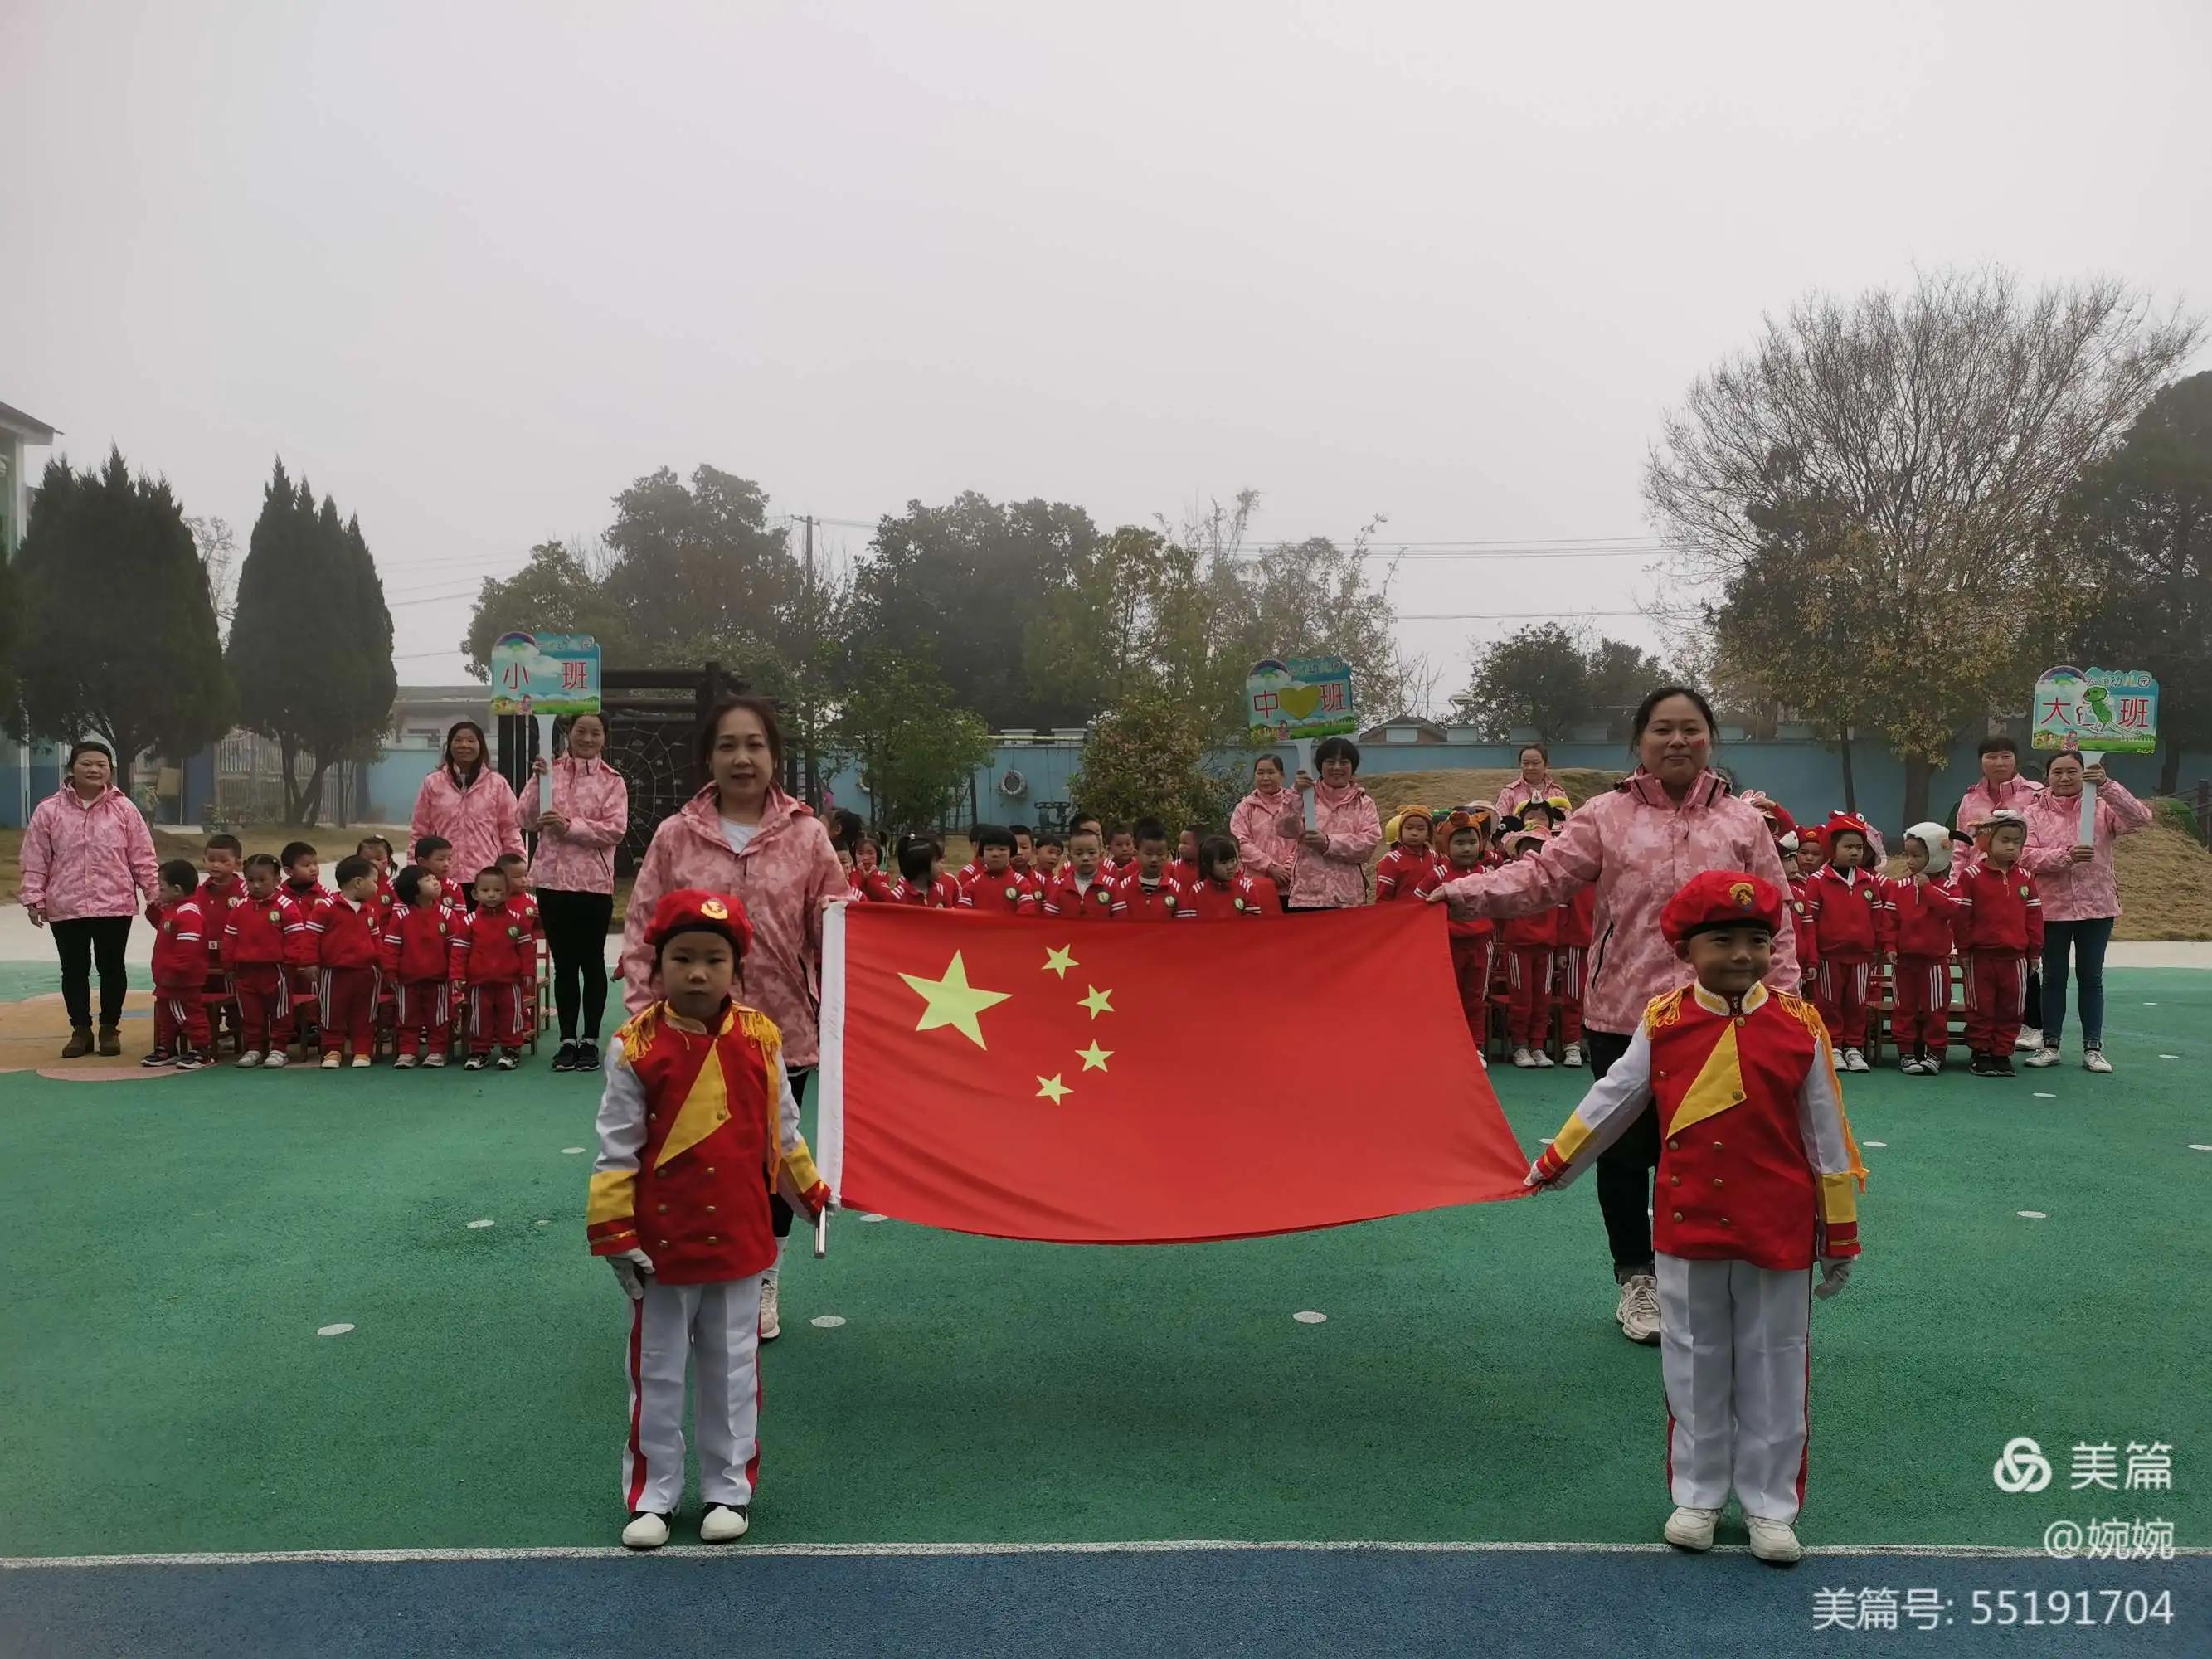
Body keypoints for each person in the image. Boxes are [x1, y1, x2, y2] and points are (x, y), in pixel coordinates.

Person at [1432, 686, 1799, 1346]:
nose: (1677, 741)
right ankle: (1638, 1279)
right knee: (1627, 1154)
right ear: (1640, 742)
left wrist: (1789, 1005)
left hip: (1726, 1018)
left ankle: (1709, 1277)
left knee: (1722, 1150)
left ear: (1710, 739)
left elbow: (1777, 917)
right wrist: (1460, 895)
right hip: (1625, 1016)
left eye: (1691, 729)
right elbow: (1541, 877)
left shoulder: (1743, 824)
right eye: (1663, 730)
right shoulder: (1604, 815)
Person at [1523, 870, 1861, 1566]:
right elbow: (1614, 1097)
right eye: (1722, 941)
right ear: (1686, 948)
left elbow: (1827, 1131)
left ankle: (1770, 1505)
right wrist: (1553, 1165)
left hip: (1778, 1225)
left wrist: (1839, 1233)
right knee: (1693, 1361)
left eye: (1756, 941)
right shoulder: (1663, 1019)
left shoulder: (1800, 1024)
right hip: (1688, 1219)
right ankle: (1698, 1494)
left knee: (1776, 1363)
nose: (1741, 955)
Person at [588, 888, 830, 1551]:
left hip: (743, 1239)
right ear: (657, 965)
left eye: (714, 960)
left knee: (732, 1369)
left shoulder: (762, 1037)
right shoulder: (634, 1047)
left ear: (736, 969)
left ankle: (729, 1489)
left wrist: (810, 1192)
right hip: (662, 1244)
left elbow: (783, 1133)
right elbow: (616, 1147)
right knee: (657, 1372)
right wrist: (615, 1234)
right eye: (683, 958)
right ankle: (652, 1496)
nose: (698, 973)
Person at [619, 693, 846, 1343]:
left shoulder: (807, 836)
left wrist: (855, 1004)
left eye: (754, 745)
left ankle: (761, 1278)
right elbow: (640, 931)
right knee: (690, 1156)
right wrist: (641, 1021)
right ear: (708, 757)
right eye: (727, 745)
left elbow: (836, 929)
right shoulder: (674, 836)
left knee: (768, 1159)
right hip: (683, 1033)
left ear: (775, 756)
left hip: (781, 1033)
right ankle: (689, 1273)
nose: (742, 758)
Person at [19, 740, 159, 1058]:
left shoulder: (124, 809)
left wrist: (154, 893)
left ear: (110, 770)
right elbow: (35, 858)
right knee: (74, 969)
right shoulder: (49, 810)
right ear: (72, 769)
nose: (95, 770)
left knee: (112, 968)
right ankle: (80, 1030)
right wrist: (34, 898)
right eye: (87, 764)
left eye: (101, 765)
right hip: (66, 905)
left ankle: (110, 1028)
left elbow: (142, 855)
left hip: (114, 904)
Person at [2019, 752, 2151, 1073]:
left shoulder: (2102, 808)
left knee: (2091, 978)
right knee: (2053, 978)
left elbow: (2140, 819)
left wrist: (2107, 786)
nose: (2064, 778)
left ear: (2085, 772)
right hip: (2051, 909)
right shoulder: (2032, 813)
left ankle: (2093, 1047)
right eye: (2057, 772)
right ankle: (2050, 1045)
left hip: (2097, 907)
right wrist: (2065, 856)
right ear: (2047, 775)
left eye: (2072, 772)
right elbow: (2025, 855)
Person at [523, 712, 631, 1073]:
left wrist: (570, 827)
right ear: (568, 733)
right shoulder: (548, 771)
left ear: (604, 738)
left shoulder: (612, 781)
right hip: (552, 882)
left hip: (593, 884)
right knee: (565, 965)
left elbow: (615, 829)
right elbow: (524, 819)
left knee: (591, 963)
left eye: (595, 733)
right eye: (580, 731)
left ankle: (591, 1040)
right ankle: (568, 1040)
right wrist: (538, 782)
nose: (587, 738)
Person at [1953, 735, 2047, 1052]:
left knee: (2020, 956)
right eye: (1991, 757)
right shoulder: (1970, 800)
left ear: (2015, 759)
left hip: (2018, 884)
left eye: (2005, 756)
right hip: (1977, 886)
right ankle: (1982, 1035)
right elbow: (1961, 847)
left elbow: (2037, 841)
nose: (1999, 763)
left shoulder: (2035, 795)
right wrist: (1955, 883)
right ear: (1981, 762)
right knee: (1983, 955)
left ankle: (2032, 1024)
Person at [1953, 810, 2043, 1077]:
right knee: (1981, 1005)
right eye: (2004, 840)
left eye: (2017, 841)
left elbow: (2034, 917)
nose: (2011, 846)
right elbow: (1962, 918)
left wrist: (2034, 952)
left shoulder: (2026, 878)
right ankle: (1980, 1051)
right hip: (1980, 956)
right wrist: (1964, 950)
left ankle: (2002, 1051)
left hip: (2015, 958)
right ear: (1986, 842)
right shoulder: (1971, 876)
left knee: (2012, 1007)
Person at [1803, 811, 1886, 1073]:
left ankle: (1853, 1048)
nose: (1854, 852)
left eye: (1859, 848)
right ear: (1832, 848)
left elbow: (1879, 918)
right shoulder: (1817, 881)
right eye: (1848, 847)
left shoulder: (1869, 880)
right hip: (1829, 956)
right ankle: (1833, 1047)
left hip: (1862, 956)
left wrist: (1879, 948)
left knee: (1857, 1003)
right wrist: (1813, 957)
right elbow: (1810, 923)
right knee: (1829, 1002)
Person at [409, 720, 524, 900]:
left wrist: (516, 871)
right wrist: (413, 868)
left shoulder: (497, 783)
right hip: (443, 877)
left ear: (481, 746)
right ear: (450, 745)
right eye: (458, 740)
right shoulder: (432, 783)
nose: (464, 745)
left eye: (471, 740)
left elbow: (510, 830)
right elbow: (419, 830)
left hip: (487, 878)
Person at [1885, 825, 1964, 1075]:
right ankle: (1906, 1052)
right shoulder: (1899, 888)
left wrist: (1927, 888)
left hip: (1935, 962)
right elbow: (1889, 921)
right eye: (1907, 854)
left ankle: (1935, 1052)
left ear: (1936, 855)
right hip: (1904, 962)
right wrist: (1889, 945)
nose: (1910, 861)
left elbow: (1951, 910)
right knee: (1903, 1007)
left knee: (1936, 1008)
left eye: (1917, 855)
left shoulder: (1950, 887)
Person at [1416, 810, 1496, 1050]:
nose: (1466, 849)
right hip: (1447, 946)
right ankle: (1446, 1047)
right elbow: (1417, 905)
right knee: (1447, 998)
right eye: (1459, 843)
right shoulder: (1436, 875)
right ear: (1445, 846)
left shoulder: (1488, 875)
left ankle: (1475, 1047)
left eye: (1472, 842)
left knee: (1476, 999)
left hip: (1481, 947)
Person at [1280, 737, 1383, 910]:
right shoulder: (1305, 796)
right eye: (1330, 762)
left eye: (1343, 762)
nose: (1336, 768)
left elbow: (1367, 845)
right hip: (1307, 896)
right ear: (1320, 766)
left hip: (1347, 898)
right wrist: (1295, 794)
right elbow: (1283, 828)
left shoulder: (1364, 804)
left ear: (1353, 766)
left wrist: (1328, 843)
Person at [454, 864, 533, 1071]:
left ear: (507, 893)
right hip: (479, 982)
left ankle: (511, 1051)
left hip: (510, 982)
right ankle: (480, 1052)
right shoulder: (468, 922)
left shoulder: (518, 920)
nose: (492, 895)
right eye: (486, 890)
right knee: (480, 1018)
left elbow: (526, 950)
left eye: (498, 891)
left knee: (512, 1016)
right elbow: (459, 952)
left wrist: (528, 973)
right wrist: (457, 975)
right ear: (475, 893)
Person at [221, 854, 299, 1068]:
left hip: (276, 971)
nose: (255, 885)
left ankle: (279, 1049)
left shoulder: (286, 906)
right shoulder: (239, 907)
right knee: (250, 1011)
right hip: (245, 971)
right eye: (250, 880)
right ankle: (254, 1048)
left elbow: (295, 938)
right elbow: (229, 938)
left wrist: (290, 965)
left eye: (262, 880)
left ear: (277, 881)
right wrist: (228, 964)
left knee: (281, 1011)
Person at [309, 854, 383, 1069]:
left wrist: (383, 967)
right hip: (334, 973)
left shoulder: (370, 911)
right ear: (358, 882)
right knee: (332, 1012)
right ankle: (333, 1050)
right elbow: (310, 937)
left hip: (366, 973)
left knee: (365, 1014)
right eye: (374, 881)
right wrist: (310, 962)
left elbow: (377, 941)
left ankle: (362, 1050)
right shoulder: (326, 907)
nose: (377, 887)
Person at [382, 866, 457, 1068]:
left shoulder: (447, 915)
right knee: (407, 1018)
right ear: (413, 890)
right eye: (428, 880)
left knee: (439, 1018)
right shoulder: (400, 917)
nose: (435, 881)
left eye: (435, 877)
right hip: (407, 980)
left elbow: (455, 949)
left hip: (439, 979)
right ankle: (407, 1052)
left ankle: (437, 1052)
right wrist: (390, 971)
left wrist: (455, 974)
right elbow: (391, 946)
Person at [1497, 830, 1558, 1068]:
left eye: (1539, 848)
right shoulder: (1510, 878)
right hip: (1518, 947)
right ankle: (1520, 1046)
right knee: (1521, 999)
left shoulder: (1555, 880)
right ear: (1519, 854)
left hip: (1547, 948)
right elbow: (1500, 913)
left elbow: (1563, 913)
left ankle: (1538, 1045)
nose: (1533, 854)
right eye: (1527, 849)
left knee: (1542, 999)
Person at [146, 859, 214, 1069]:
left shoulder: (189, 912)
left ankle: (202, 1050)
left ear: (177, 889)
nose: (158, 891)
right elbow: (164, 926)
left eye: (161, 887)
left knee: (189, 1015)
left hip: (181, 979)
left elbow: (188, 948)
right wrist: (153, 910)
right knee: (166, 1016)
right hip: (167, 978)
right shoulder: (173, 909)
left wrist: (175, 970)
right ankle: (167, 1048)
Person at [1231, 756, 1301, 908]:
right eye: (1260, 773)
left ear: (1282, 776)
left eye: (1271, 772)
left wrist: (1287, 870)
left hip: (1293, 885)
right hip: (1255, 886)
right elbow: (1240, 842)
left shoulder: (1294, 803)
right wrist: (1270, 867)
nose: (1265, 778)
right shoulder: (1245, 807)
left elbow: (1302, 840)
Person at [1176, 834, 1275, 920]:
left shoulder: (1247, 889)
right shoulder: (1196, 891)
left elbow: (1252, 924)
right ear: (1208, 865)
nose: (1230, 867)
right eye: (1223, 863)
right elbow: (1190, 926)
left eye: (1232, 860)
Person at [1042, 825, 1117, 921]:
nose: (1085, 858)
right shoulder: (1058, 887)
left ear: (1101, 856)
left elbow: (1121, 924)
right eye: (1078, 853)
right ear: (1069, 857)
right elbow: (1049, 923)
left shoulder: (1113, 886)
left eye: (1091, 853)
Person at [1111, 819, 1181, 921]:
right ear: (1136, 853)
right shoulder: (1123, 887)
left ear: (1167, 855)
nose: (1154, 859)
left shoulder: (1176, 889)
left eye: (1160, 854)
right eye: (1148, 854)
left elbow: (1183, 927)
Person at [963, 825, 1039, 915]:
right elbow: (962, 915)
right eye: (989, 849)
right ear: (981, 853)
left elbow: (1027, 912)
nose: (995, 854)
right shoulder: (971, 885)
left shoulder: (1022, 884)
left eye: (1002, 849)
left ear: (1012, 852)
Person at [1373, 803, 1439, 902]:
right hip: (1402, 914)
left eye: (1420, 829)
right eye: (1409, 828)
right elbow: (1383, 899)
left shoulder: (1433, 857)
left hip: (1427, 913)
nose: (1414, 833)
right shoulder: (1390, 861)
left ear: (1428, 834)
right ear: (1400, 831)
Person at [1495, 744, 1565, 820]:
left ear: (1546, 765)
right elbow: (1500, 824)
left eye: (1535, 763)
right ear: (1520, 765)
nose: (1530, 768)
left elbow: (1568, 826)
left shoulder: (1558, 793)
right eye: (1525, 763)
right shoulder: (1508, 793)